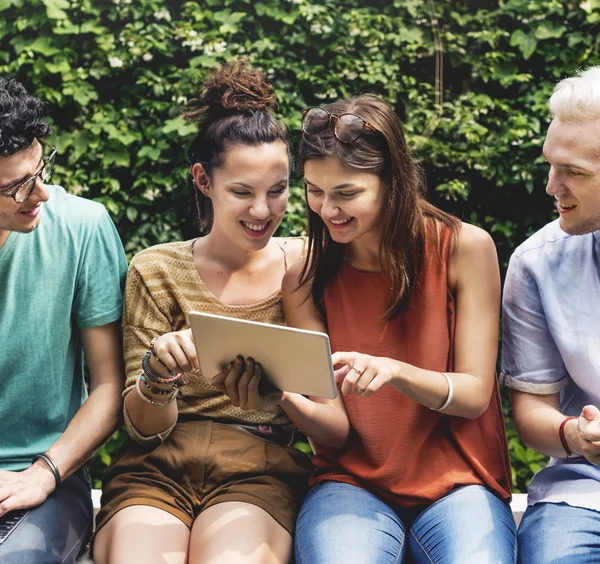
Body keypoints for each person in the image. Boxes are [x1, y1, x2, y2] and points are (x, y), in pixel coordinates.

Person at [93, 60, 348, 564]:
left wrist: (282, 394)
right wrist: (157, 375)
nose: (262, 211)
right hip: (157, 465)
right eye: (242, 192)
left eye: (277, 191)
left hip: (260, 467)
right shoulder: (157, 269)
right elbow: (141, 426)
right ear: (203, 181)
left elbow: (334, 425)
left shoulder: (306, 265)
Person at [282, 96, 516, 563]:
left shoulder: (464, 248)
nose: (328, 210)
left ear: (393, 182)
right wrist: (281, 396)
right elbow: (333, 430)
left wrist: (395, 372)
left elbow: (473, 394)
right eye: (314, 191)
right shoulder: (304, 276)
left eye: (347, 193)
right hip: (350, 484)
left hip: (460, 482)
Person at [0, 78, 127, 563]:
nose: (42, 194)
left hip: (48, 480)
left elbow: (110, 385)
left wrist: (43, 473)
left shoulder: (83, 227)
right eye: (17, 187)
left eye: (40, 168)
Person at [501, 66, 600, 563]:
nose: (550, 186)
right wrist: (575, 436)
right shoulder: (535, 263)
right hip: (583, 492)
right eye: (550, 164)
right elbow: (532, 412)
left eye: (575, 172)